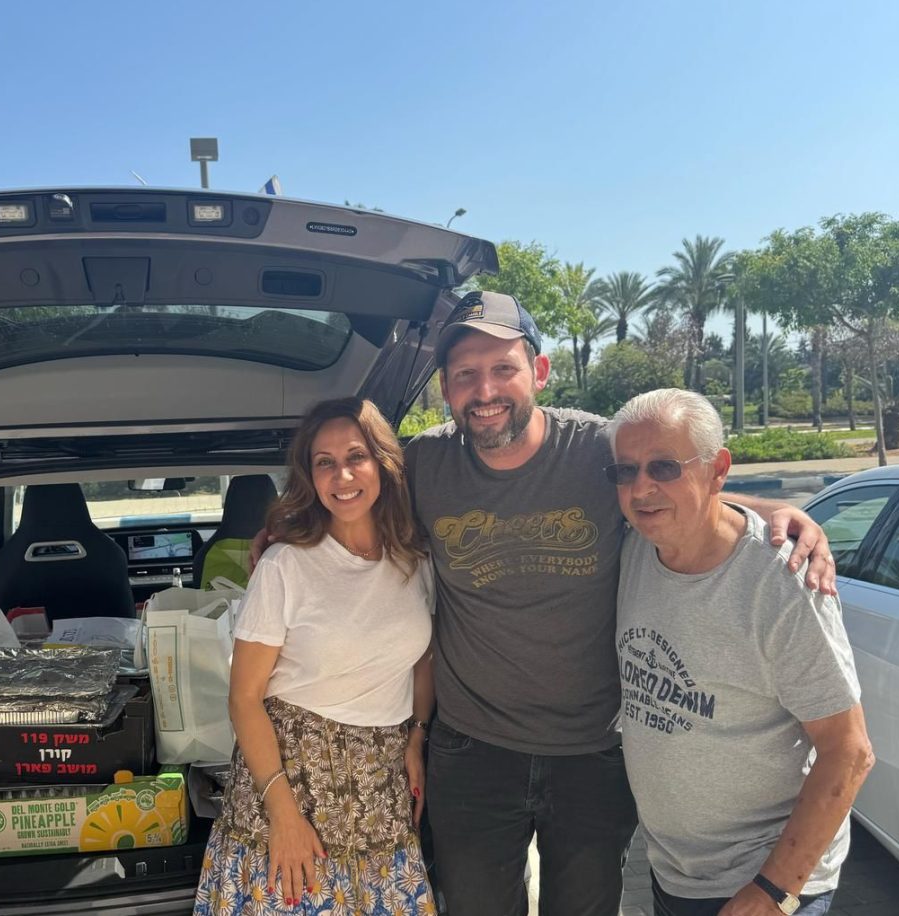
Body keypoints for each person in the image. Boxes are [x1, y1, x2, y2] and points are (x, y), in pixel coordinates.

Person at [404, 290, 839, 916]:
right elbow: (348, 499)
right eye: (465, 375)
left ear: (540, 372)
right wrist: (282, 530)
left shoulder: (597, 451)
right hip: (473, 751)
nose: (485, 389)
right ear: (446, 389)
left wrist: (786, 517)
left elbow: (684, 485)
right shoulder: (424, 462)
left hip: (596, 752)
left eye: (503, 368)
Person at [608, 388, 873, 916]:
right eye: (625, 471)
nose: (641, 488)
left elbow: (850, 751)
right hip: (674, 873)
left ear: (717, 469)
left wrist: (774, 890)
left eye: (664, 466)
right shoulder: (638, 545)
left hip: (760, 883)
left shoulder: (780, 583)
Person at [195, 397, 437, 916]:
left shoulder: (415, 559)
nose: (342, 474)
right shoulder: (284, 565)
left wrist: (417, 732)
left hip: (381, 793)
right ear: (309, 475)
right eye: (324, 462)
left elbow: (421, 659)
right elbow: (243, 698)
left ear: (383, 464)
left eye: (356, 456)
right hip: (292, 783)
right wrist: (282, 812)